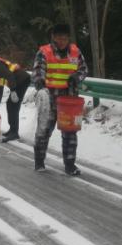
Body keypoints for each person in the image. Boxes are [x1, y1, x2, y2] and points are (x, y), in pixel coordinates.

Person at [32, 23, 88, 175]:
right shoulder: (44, 52)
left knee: (70, 133)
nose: (62, 41)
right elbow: (38, 71)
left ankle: (70, 165)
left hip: (69, 100)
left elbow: (84, 69)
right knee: (44, 131)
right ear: (53, 37)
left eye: (65, 38)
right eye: (59, 38)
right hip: (49, 99)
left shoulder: (75, 52)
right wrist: (40, 82)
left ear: (68, 38)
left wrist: (77, 76)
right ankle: (39, 161)